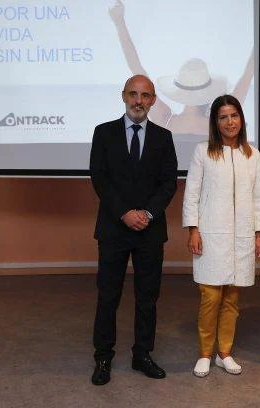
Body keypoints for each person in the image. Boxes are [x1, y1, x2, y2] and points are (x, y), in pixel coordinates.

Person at [89, 74, 178, 385]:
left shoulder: (164, 138)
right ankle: (103, 357)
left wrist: (148, 214)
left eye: (145, 95)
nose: (138, 101)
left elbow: (169, 184)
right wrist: (125, 213)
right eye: (133, 94)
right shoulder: (103, 133)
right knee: (108, 296)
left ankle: (143, 355)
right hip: (113, 229)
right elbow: (99, 178)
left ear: (153, 100)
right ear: (123, 96)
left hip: (150, 232)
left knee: (147, 298)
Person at [183, 95, 260, 378]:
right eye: (223, 117)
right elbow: (192, 193)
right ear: (215, 122)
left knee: (232, 299)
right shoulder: (203, 152)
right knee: (210, 297)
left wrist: (259, 234)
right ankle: (205, 353)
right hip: (210, 236)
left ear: (241, 119)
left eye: (234, 115)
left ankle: (224, 353)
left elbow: (258, 197)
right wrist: (193, 229)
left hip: (242, 237)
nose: (230, 122)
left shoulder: (252, 154)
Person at [108, 0, 254, 135]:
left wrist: (119, 22)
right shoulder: (219, 125)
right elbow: (247, 77)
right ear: (206, 91)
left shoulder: (166, 120)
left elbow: (136, 68)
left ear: (180, 89)